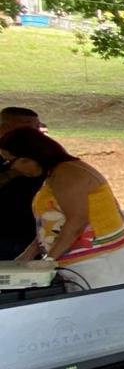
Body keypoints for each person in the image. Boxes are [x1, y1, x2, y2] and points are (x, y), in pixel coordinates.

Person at [0, 127, 124, 288]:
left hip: (97, 261)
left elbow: (77, 222)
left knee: (101, 302)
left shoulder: (68, 174)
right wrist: (29, 254)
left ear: (28, 157)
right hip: (84, 260)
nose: (12, 168)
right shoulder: (57, 173)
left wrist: (48, 261)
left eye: (9, 161)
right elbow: (53, 223)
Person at [0, 107, 47, 261]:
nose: (35, 133)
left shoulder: (42, 151)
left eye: (37, 127)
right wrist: (13, 173)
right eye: (27, 128)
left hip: (33, 233)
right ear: (4, 128)